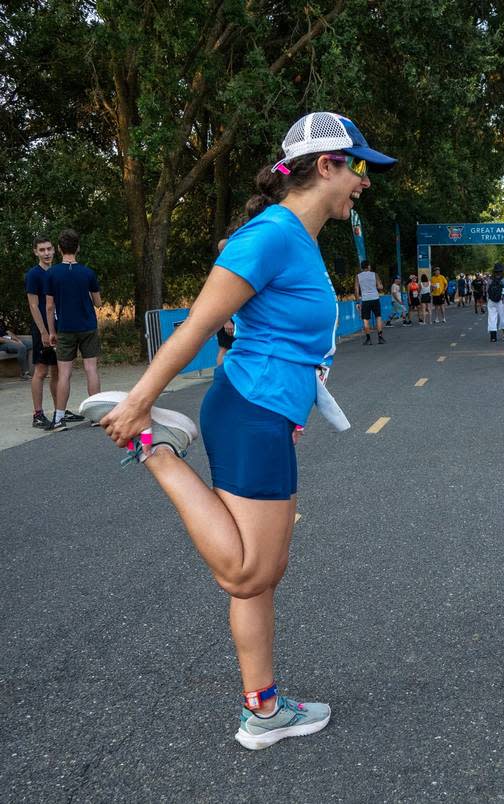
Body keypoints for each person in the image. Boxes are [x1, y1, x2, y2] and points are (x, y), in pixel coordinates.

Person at [79, 112, 396, 749]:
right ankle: (159, 450)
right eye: (358, 166)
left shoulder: (296, 239)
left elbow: (261, 335)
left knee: (261, 577)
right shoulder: (273, 234)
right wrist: (141, 404)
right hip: (250, 410)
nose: (364, 181)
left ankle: (265, 711)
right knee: (248, 573)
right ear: (328, 165)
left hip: (265, 410)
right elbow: (197, 324)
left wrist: (293, 407)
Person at [45, 228, 102, 429]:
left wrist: (52, 331)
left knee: (65, 373)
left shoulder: (52, 273)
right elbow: (98, 303)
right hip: (87, 326)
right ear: (77, 247)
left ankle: (59, 417)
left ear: (59, 249)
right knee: (91, 369)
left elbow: (50, 306)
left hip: (65, 328)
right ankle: (96, 416)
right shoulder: (88, 273)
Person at [24, 236, 62, 428]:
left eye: (48, 249)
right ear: (36, 252)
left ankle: (59, 411)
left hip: (58, 327)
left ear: (54, 250)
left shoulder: (57, 272)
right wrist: (43, 332)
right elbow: (33, 304)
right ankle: (38, 414)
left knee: (57, 370)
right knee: (40, 371)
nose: (46, 253)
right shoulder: (33, 274)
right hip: (42, 329)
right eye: (42, 250)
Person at [355, 259, 384, 345]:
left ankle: (368, 339)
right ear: (368, 266)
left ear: (362, 267)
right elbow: (380, 287)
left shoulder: (358, 276)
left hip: (365, 300)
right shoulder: (375, 274)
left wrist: (357, 302)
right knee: (378, 317)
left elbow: (356, 289)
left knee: (366, 320)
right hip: (375, 298)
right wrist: (380, 285)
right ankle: (380, 338)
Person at [0, 315, 32, 379]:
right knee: (21, 347)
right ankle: (24, 373)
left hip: (9, 340)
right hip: (2, 344)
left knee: (32, 344)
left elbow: (8, 332)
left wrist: (18, 340)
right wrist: (14, 342)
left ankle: (36, 370)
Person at [486, 264, 504, 342]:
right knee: (502, 317)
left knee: (492, 318)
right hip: (501, 300)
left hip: (491, 301)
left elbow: (487, 290)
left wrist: (488, 299)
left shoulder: (490, 279)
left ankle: (493, 336)